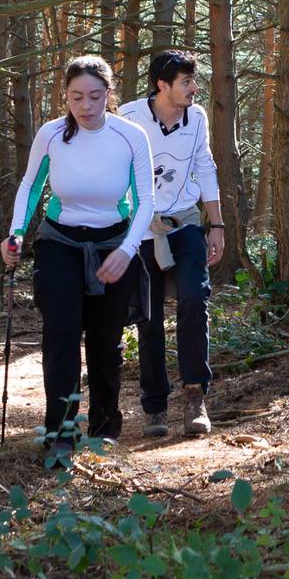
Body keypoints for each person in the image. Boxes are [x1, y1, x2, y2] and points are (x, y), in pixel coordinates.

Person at [0, 55, 157, 470]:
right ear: (65, 97)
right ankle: (60, 433)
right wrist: (16, 232)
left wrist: (126, 251)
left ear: (108, 94)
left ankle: (104, 428)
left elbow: (145, 201)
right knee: (62, 335)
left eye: (94, 96)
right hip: (60, 241)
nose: (86, 106)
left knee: (106, 343)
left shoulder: (131, 135)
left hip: (113, 244)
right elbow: (31, 185)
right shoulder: (51, 134)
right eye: (76, 97)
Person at [118, 49, 225, 438]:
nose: (194, 89)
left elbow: (205, 166)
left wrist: (217, 224)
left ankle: (195, 396)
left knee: (195, 300)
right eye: (186, 82)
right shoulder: (128, 117)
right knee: (148, 317)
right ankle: (154, 407)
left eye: (193, 81)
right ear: (162, 85)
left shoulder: (196, 117)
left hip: (185, 224)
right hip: (142, 230)